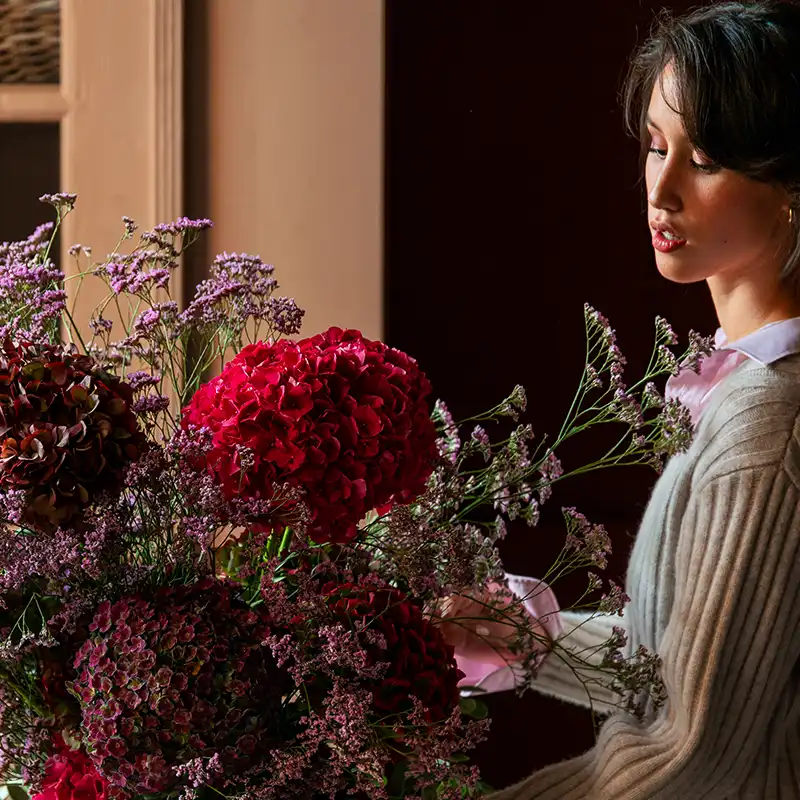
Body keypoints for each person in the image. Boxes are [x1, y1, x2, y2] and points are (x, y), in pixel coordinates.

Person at [483, 2, 800, 797]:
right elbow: (694, 671)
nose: (660, 188)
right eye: (656, 146)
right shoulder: (749, 392)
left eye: (705, 160)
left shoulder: (770, 427)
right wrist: (519, 637)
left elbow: (694, 751)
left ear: (789, 184)